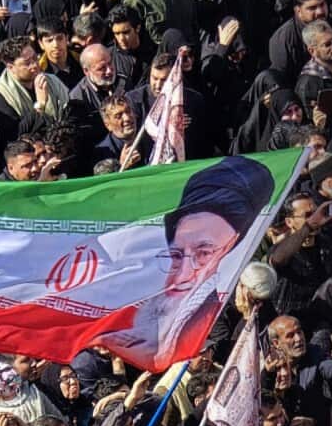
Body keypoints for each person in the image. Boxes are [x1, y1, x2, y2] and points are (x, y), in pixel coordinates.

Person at [97, 156, 276, 371]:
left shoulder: (217, 304)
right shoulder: (138, 283)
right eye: (177, 254)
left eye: (203, 253)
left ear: (229, 249)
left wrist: (248, 318)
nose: (183, 273)